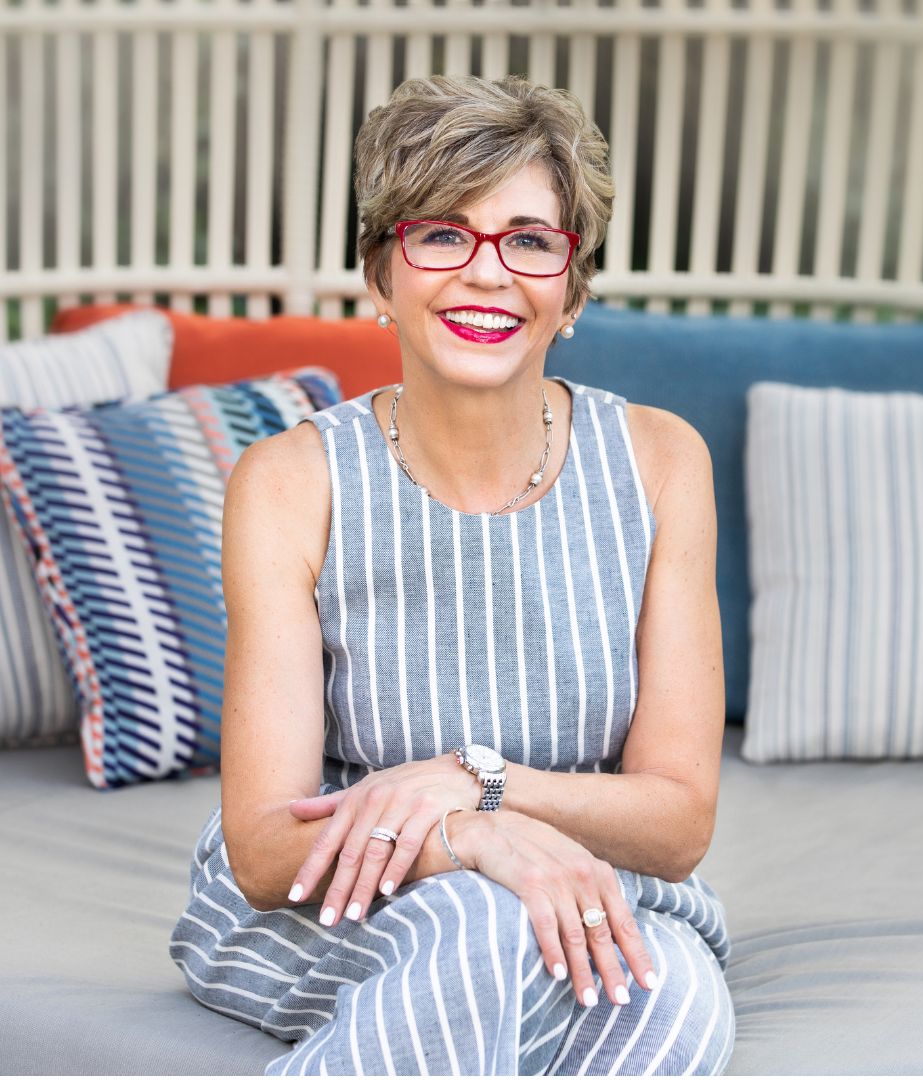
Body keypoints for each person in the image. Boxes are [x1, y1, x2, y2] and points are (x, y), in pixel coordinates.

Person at [169, 74, 735, 1076]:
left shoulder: (660, 463)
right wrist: (474, 839)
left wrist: (476, 784)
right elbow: (265, 847)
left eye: (529, 241)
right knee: (484, 928)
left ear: (572, 289)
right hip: (339, 895)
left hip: (594, 879)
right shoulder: (291, 482)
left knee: (672, 1000)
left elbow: (678, 820)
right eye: (441, 235)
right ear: (380, 276)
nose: (487, 274)